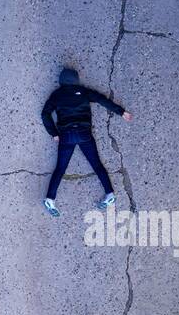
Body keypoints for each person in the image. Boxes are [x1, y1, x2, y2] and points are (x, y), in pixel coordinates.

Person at [40, 67, 132, 216]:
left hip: (66, 136)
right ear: (76, 80)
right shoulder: (83, 92)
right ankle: (110, 194)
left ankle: (50, 198)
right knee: (97, 165)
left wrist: (54, 133)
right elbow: (102, 100)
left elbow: (45, 114)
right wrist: (120, 111)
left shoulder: (56, 95)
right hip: (84, 134)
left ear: (61, 81)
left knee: (60, 169)